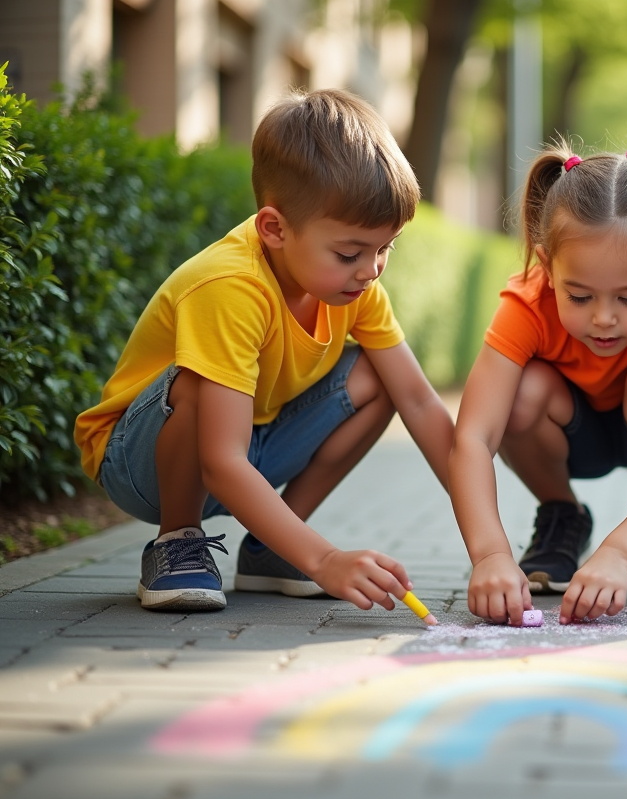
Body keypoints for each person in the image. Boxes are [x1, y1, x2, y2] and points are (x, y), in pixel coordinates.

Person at [74, 89, 454, 614]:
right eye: (349, 253)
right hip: (144, 465)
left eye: (385, 249)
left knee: (380, 378)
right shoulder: (229, 286)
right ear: (274, 228)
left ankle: (272, 550)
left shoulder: (355, 288)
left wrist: (489, 545)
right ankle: (177, 540)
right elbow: (222, 459)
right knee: (199, 383)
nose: (370, 271)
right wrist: (324, 560)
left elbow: (419, 402)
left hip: (245, 443)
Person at [450, 139, 627, 627]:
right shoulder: (525, 306)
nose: (603, 319)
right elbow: (473, 436)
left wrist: (619, 554)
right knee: (522, 392)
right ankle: (562, 515)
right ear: (549, 266)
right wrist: (490, 554)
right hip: (571, 433)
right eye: (578, 296)